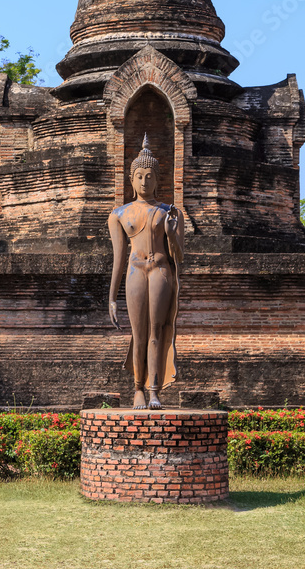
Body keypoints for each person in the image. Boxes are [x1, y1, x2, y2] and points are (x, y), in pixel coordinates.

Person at [108, 134, 184, 409]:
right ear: (131, 179)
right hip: (135, 270)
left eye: (149, 176)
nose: (144, 182)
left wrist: (172, 234)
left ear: (157, 179)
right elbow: (118, 259)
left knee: (157, 331)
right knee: (138, 333)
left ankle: (154, 390)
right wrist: (112, 298)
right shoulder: (119, 214)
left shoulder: (169, 212)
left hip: (161, 270)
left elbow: (180, 255)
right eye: (139, 176)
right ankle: (137, 388)